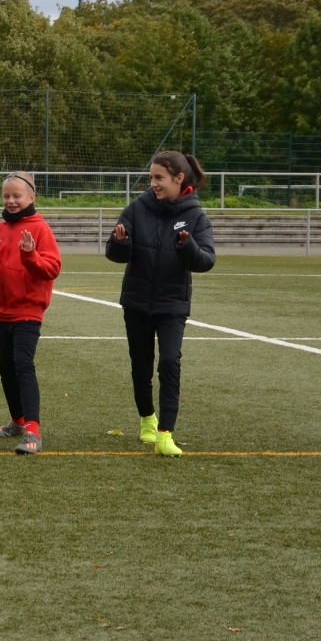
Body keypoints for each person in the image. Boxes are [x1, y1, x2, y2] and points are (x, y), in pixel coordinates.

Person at [105, 150, 216, 457]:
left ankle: (166, 433)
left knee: (169, 362)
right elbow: (113, 253)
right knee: (141, 368)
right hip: (137, 302)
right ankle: (147, 420)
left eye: (159, 178)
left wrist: (187, 246)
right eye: (151, 177)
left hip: (172, 305)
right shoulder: (137, 208)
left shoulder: (195, 215)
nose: (153, 183)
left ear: (179, 179)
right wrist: (120, 242)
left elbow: (206, 260)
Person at [0, 172, 62, 455]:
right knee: (6, 369)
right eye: (6, 196)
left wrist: (30, 255)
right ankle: (17, 420)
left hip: (29, 310)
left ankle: (32, 430)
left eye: (17, 196)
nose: (11, 201)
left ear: (31, 198)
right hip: (2, 312)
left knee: (23, 365)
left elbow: (52, 269)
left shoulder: (40, 229)